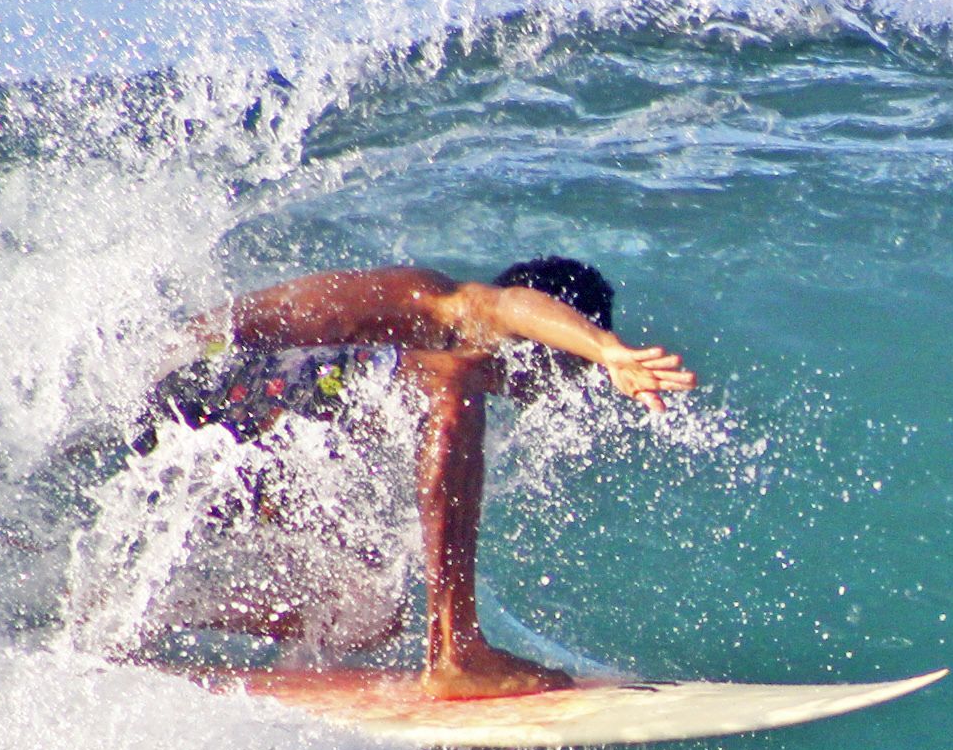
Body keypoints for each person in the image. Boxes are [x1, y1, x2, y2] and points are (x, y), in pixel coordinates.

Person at [137, 257, 695, 696]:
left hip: (208, 415)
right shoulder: (450, 312)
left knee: (366, 612)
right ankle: (457, 653)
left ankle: (143, 614)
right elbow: (505, 305)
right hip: (202, 368)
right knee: (454, 384)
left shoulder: (379, 367)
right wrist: (608, 349)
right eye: (571, 368)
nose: (560, 390)